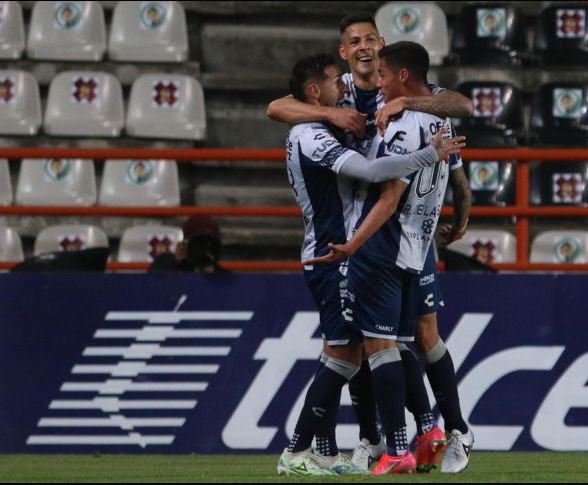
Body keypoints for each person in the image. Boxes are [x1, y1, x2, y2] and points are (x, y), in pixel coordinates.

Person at [269, 12, 475, 474]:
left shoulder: (416, 93)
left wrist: (415, 106)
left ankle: (440, 431)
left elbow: (463, 108)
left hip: (406, 237)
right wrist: (331, 111)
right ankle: (375, 441)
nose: (363, 49)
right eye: (353, 41)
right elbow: (277, 107)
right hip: (359, 237)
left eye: (370, 40)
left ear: (382, 47)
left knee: (408, 336)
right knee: (365, 344)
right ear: (344, 53)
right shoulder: (335, 91)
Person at [148, 215, 227, 273]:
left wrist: (210, 273)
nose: (202, 249)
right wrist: (177, 264)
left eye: (208, 244)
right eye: (198, 243)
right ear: (184, 243)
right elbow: (153, 286)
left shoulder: (225, 279)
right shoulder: (162, 263)